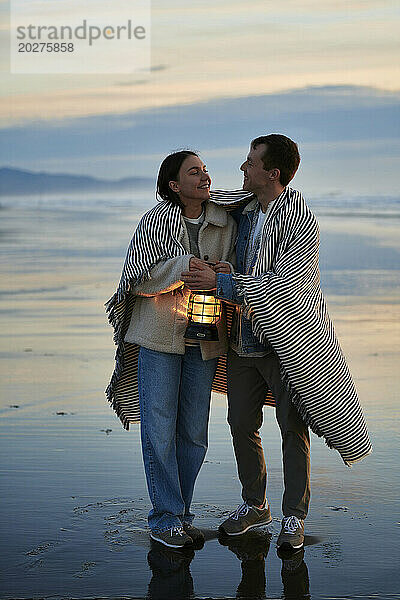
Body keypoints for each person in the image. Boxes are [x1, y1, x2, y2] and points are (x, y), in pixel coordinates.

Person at [181, 134, 372, 551]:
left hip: (288, 343)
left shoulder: (301, 219)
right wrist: (230, 269)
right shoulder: (245, 212)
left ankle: (293, 516)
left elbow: (288, 285)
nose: (242, 168)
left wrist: (224, 281)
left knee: (292, 428)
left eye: (250, 162)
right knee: (241, 425)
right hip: (244, 339)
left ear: (273, 173)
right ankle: (255, 506)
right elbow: (250, 264)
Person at [105, 150, 237, 549]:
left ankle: (182, 513)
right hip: (158, 338)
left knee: (194, 433)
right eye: (194, 172)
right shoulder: (153, 222)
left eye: (205, 170)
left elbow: (234, 266)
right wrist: (183, 269)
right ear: (175, 185)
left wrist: (219, 274)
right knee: (159, 430)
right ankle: (164, 518)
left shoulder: (226, 221)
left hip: (205, 335)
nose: (204, 176)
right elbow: (136, 281)